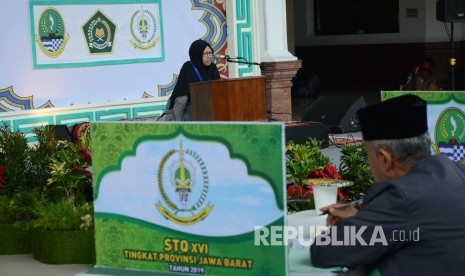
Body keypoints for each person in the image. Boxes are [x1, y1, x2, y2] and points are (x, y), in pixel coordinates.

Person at [310, 94, 465, 275]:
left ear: (385, 159)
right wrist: (366, 214)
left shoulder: (402, 197)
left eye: (368, 155)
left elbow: (325, 250)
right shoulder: (456, 171)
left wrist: (359, 220)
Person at [163, 39, 221, 121]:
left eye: (210, 53)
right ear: (197, 54)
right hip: (189, 109)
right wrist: (179, 121)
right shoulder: (188, 68)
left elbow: (219, 89)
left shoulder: (213, 68)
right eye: (205, 54)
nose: (209, 57)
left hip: (209, 109)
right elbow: (181, 98)